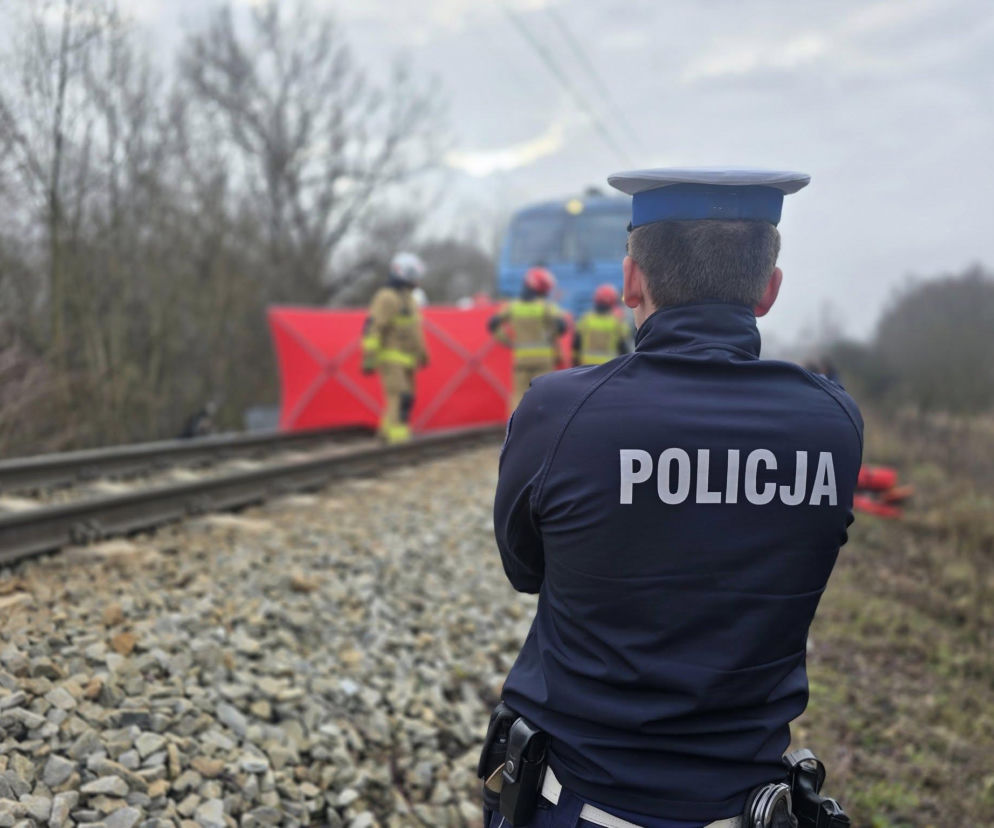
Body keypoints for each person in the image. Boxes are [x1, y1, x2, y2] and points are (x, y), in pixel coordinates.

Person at [480, 169, 863, 828]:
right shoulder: (833, 425)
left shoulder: (559, 411)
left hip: (574, 806)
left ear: (631, 280)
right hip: (746, 808)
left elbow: (525, 569)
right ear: (768, 291)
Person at [361, 252, 429, 443]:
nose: (418, 280)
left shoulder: (409, 299)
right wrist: (369, 357)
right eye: (414, 275)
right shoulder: (386, 297)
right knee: (399, 396)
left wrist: (423, 354)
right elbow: (374, 327)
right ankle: (395, 441)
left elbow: (415, 330)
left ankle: (388, 435)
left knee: (406, 399)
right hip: (390, 357)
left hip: (407, 359)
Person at [488, 266, 568, 414]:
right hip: (543, 360)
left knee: (519, 395)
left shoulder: (513, 306)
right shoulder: (546, 307)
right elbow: (562, 326)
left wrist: (507, 341)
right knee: (542, 395)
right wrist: (551, 335)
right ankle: (542, 428)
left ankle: (514, 429)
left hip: (521, 359)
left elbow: (492, 324)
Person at [573, 283, 631, 366]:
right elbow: (624, 349)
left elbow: (576, 345)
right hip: (608, 369)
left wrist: (575, 364)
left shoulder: (585, 320)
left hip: (586, 368)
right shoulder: (618, 323)